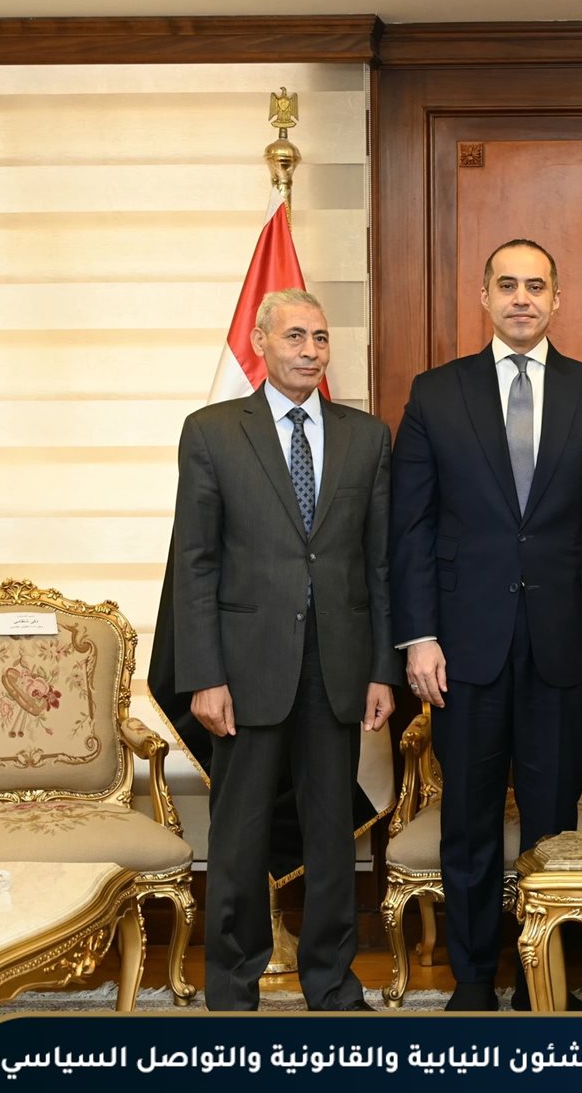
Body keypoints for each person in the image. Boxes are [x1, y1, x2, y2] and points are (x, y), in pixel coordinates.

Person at [390, 239, 582, 1011]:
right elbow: (411, 527)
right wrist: (418, 635)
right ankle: (473, 979)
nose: (522, 298)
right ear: (485, 296)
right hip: (462, 648)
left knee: (552, 824)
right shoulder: (436, 393)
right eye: (508, 285)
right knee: (467, 820)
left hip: (566, 647)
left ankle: (546, 980)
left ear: (557, 299)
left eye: (536, 286)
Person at [173, 289, 398, 1011]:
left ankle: (332, 985)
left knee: (331, 834)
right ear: (261, 342)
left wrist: (382, 671)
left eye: (321, 337)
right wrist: (204, 675)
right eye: (295, 335)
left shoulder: (367, 437)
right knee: (238, 837)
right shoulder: (212, 432)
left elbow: (378, 565)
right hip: (245, 671)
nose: (310, 349)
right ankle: (232, 991)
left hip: (338, 667)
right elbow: (195, 563)